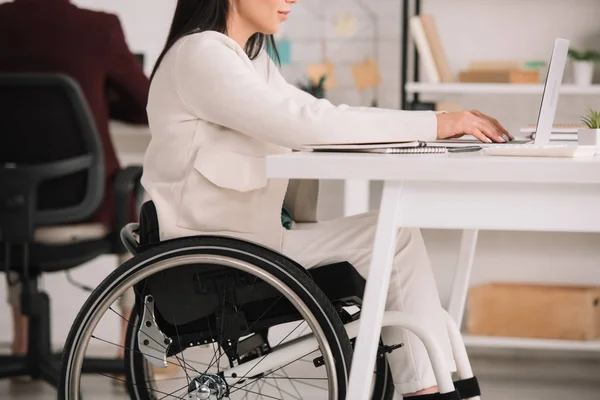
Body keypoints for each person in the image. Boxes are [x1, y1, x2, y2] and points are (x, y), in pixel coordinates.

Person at [142, 0, 511, 397]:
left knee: (392, 238)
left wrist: (429, 128)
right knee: (393, 238)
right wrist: (437, 124)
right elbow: (303, 124)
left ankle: (430, 386)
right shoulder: (202, 55)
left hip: (246, 239)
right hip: (216, 254)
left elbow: (316, 112)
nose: (292, 0)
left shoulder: (249, 58)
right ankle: (427, 390)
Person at [0, 0, 149, 363]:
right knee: (138, 197)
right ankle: (132, 354)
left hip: (6, 215)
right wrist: (98, 97)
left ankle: (22, 349)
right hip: (87, 208)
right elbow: (147, 105)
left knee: (14, 189)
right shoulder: (97, 28)